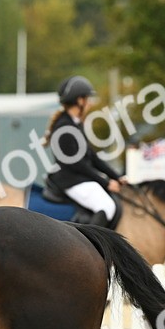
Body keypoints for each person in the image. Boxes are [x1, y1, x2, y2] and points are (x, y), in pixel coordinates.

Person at [43, 75, 126, 227]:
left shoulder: (75, 124)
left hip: (79, 177)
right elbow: (76, 164)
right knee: (106, 206)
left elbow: (92, 157)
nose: (90, 103)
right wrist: (106, 182)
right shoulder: (64, 127)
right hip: (70, 179)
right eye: (88, 99)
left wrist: (117, 176)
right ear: (80, 101)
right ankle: (89, 247)